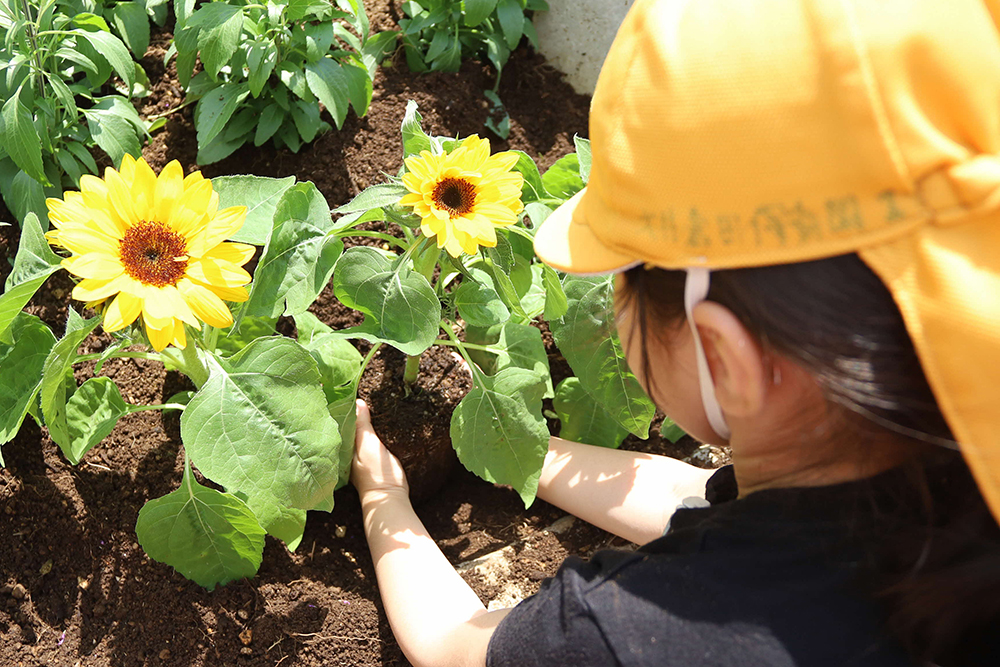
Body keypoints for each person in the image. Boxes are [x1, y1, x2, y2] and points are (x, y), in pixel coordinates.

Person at [349, 0, 1000, 664]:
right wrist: (527, 455)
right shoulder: (946, 472)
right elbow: (689, 499)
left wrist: (382, 496)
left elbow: (450, 644)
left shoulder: (624, 638)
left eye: (619, 280)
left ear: (724, 354)